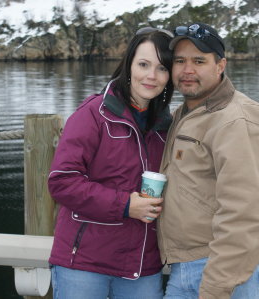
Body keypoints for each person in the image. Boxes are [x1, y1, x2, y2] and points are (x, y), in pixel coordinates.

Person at [157, 23, 259, 299]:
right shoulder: (188, 112)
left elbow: (246, 212)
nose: (187, 70)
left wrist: (217, 285)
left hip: (232, 269)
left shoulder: (240, 121)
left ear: (220, 65)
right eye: (180, 61)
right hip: (190, 264)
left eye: (199, 61)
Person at [47, 27, 174, 299]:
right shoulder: (93, 114)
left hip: (142, 266)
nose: (151, 76)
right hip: (84, 263)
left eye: (162, 68)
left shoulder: (168, 128)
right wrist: (126, 205)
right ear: (128, 65)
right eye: (143, 64)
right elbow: (61, 181)